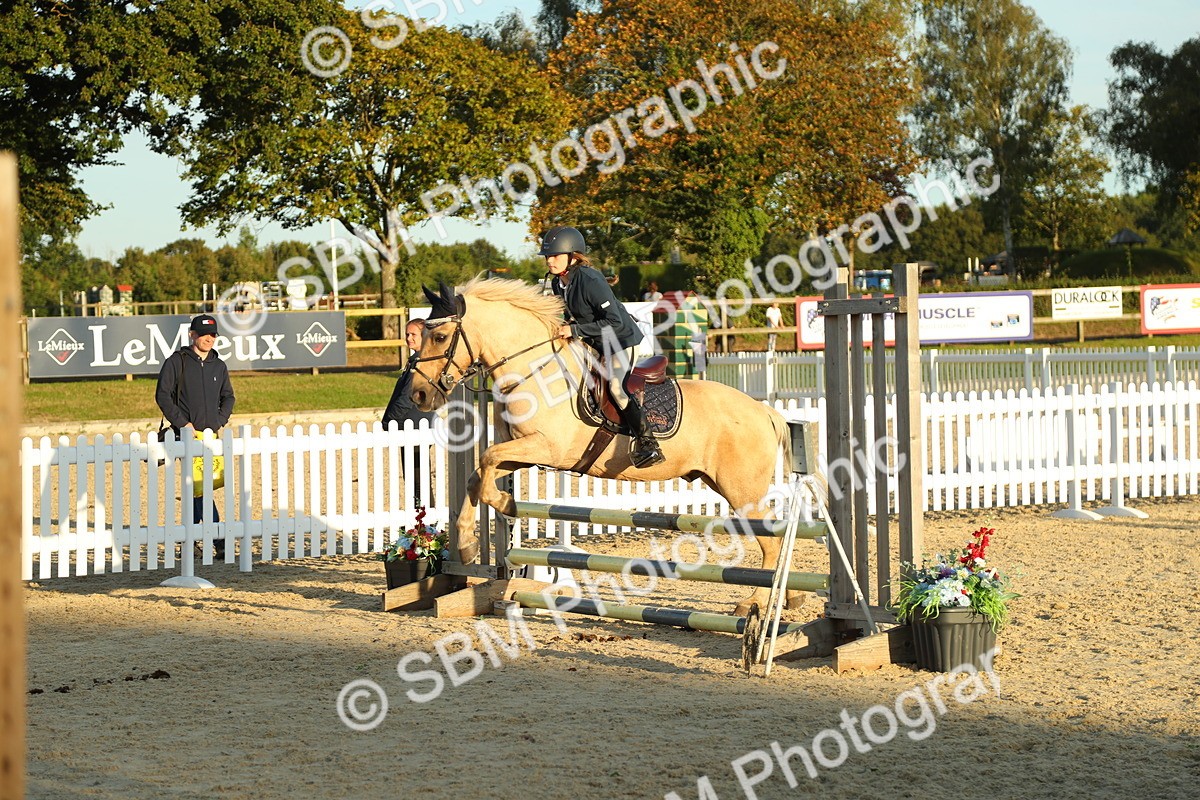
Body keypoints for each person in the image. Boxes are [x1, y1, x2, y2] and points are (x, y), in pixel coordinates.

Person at [542, 226, 665, 469]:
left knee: (617, 388)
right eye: (548, 256)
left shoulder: (590, 279)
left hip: (621, 340)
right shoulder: (559, 283)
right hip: (595, 341)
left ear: (573, 256)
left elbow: (615, 321)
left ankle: (648, 443)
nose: (549, 260)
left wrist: (575, 330)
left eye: (555, 255)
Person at [156, 314, 235, 555]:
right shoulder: (176, 362)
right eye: (203, 334)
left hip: (211, 438)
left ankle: (190, 541)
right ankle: (219, 541)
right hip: (187, 437)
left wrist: (220, 421)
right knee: (201, 488)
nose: (209, 338)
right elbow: (163, 396)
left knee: (199, 489)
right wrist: (183, 424)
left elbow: (228, 397)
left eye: (212, 335)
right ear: (192, 334)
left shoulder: (219, 365)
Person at [383, 319, 437, 505]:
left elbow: (406, 398)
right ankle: (420, 523)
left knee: (418, 480)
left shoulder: (421, 363)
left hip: (414, 427)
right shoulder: (415, 360)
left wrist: (388, 421)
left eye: (413, 334)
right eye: (407, 334)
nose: (408, 338)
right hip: (413, 428)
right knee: (415, 480)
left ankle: (425, 527)